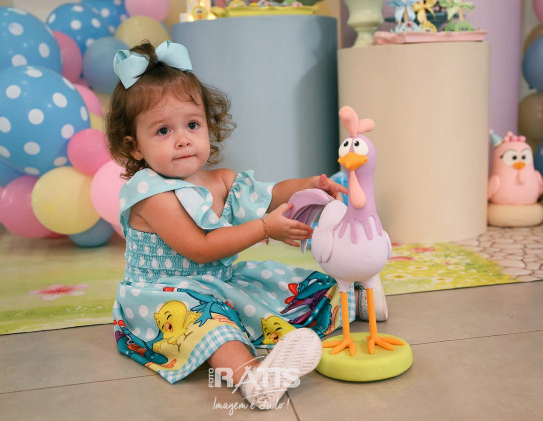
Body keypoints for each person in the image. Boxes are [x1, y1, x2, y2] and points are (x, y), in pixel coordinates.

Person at [106, 40, 387, 410]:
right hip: (165, 297)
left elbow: (270, 194)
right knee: (212, 327)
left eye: (192, 124)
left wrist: (310, 185)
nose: (183, 140)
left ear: (208, 125)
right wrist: (265, 229)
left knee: (292, 286)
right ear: (135, 146)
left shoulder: (220, 180)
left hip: (218, 281)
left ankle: (356, 300)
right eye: (163, 131)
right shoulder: (150, 192)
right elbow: (201, 248)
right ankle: (255, 379)